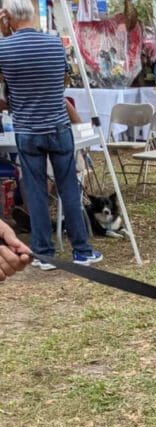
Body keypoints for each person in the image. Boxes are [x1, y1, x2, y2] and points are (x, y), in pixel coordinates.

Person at [0, 0, 102, 270]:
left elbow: (4, 86)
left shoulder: (3, 48)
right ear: (33, 15)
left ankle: (44, 253)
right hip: (57, 125)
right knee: (69, 188)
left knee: (35, 193)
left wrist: (3, 31)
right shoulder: (55, 43)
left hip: (26, 129)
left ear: (8, 16)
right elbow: (62, 81)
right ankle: (81, 250)